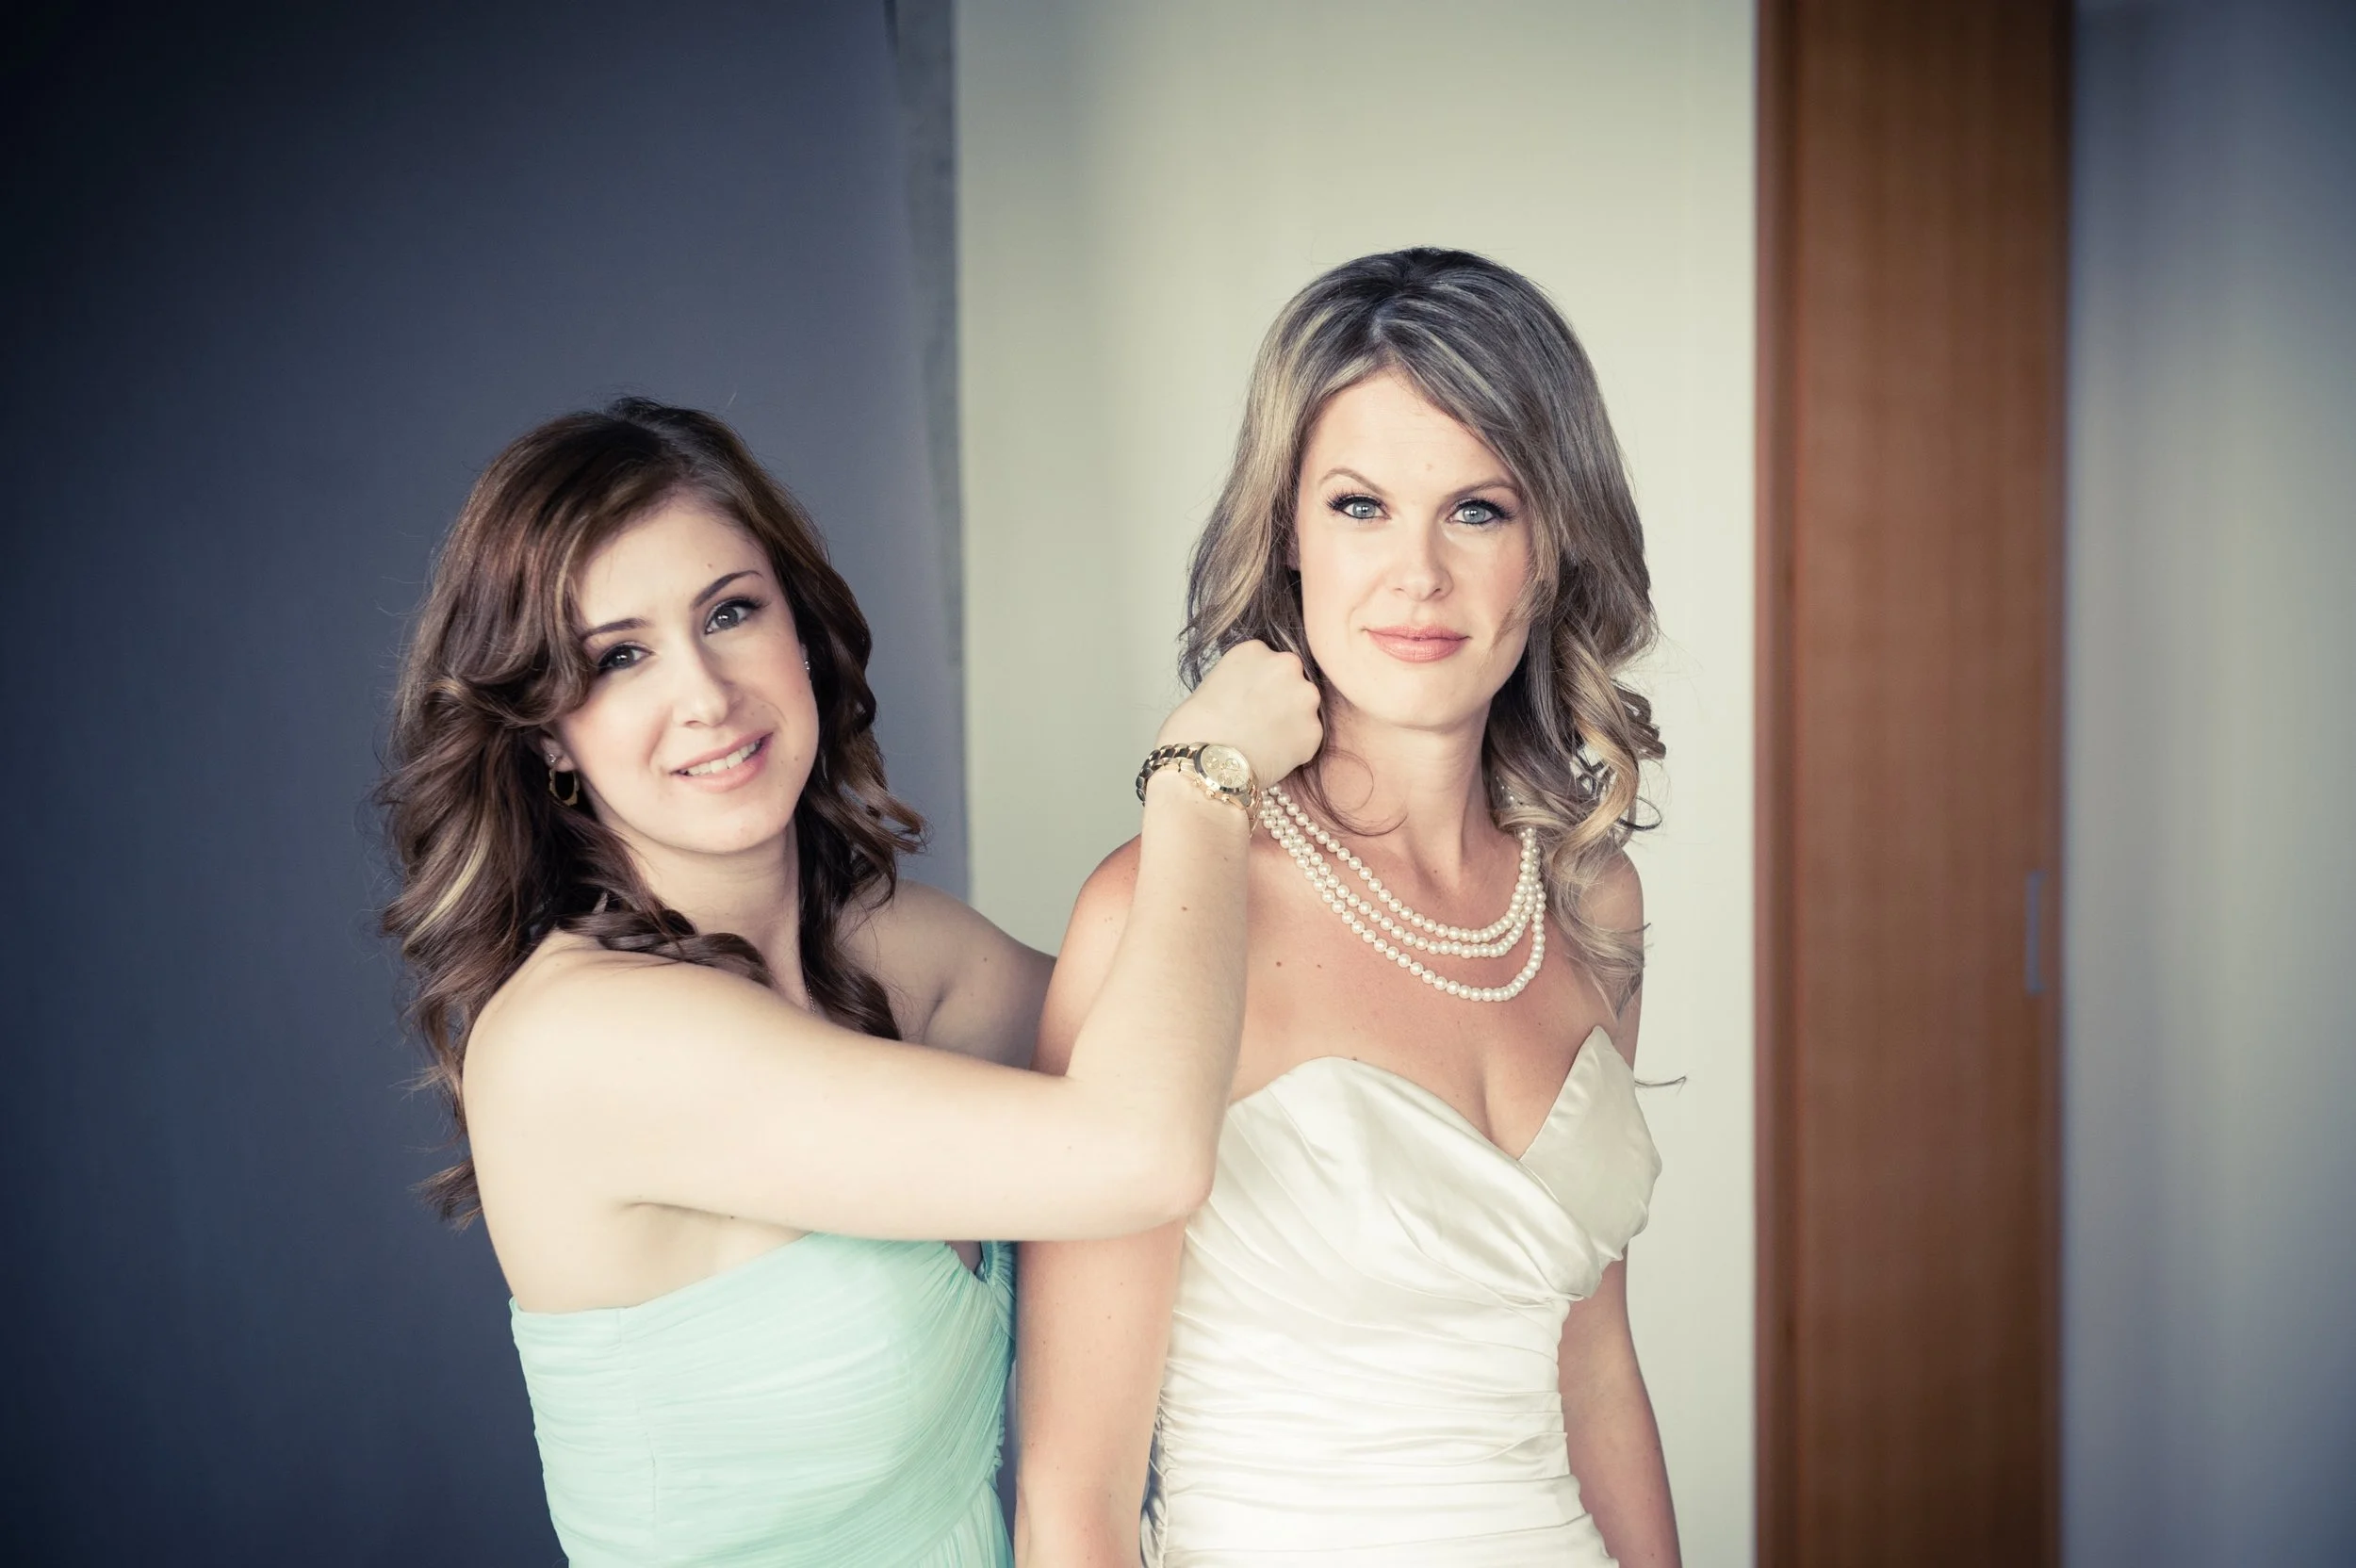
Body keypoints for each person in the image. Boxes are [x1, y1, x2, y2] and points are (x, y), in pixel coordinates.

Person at [377, 398, 1320, 1567]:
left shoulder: (898, 948)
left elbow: (1237, 1041)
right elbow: (1142, 1150)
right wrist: (1200, 780)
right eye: (618, 657)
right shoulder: (586, 1039)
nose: (708, 695)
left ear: (801, 629)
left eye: (730, 612)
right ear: (548, 734)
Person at [1015, 250, 1680, 1567]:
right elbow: (1072, 1495)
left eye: (1479, 511)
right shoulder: (1161, 904)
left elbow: (1596, 1365)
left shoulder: (1592, 895)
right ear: (1288, 540)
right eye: (1361, 507)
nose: (1418, 576)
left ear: (1552, 549)